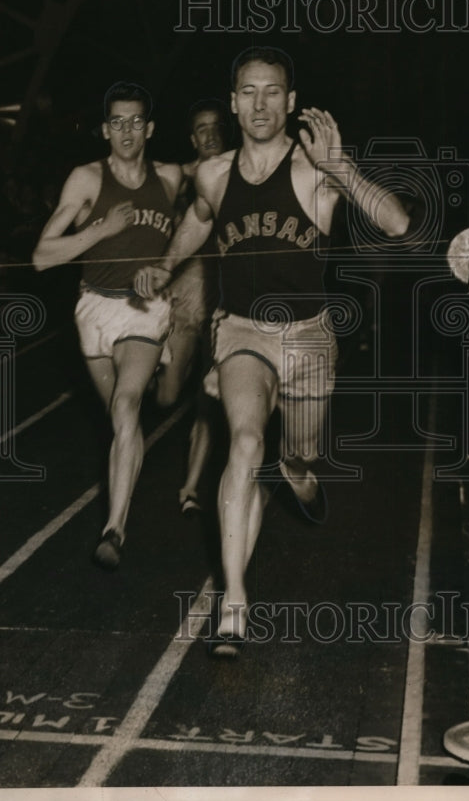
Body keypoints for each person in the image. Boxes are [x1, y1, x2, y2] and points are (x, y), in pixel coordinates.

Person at [136, 46, 411, 655]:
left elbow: (395, 222)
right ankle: (234, 600)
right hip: (241, 333)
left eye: (272, 92)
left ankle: (301, 471)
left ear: (290, 102)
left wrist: (342, 169)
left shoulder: (316, 170)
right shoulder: (213, 173)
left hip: (309, 337)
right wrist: (164, 264)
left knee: (299, 455)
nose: (260, 103)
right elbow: (201, 220)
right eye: (248, 92)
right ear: (234, 102)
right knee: (245, 442)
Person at [33, 81, 181, 570]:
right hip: (94, 310)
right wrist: (101, 229)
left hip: (144, 309)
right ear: (104, 129)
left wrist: (170, 277)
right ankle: (118, 513)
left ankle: (115, 526)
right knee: (123, 421)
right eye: (117, 121)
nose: (126, 131)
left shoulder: (171, 177)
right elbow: (42, 256)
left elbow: (203, 222)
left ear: (150, 128)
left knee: (126, 402)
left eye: (136, 121)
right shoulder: (86, 180)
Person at [156, 100, 229, 515]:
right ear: (192, 138)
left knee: (209, 402)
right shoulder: (180, 178)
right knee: (166, 398)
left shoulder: (240, 172)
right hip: (185, 300)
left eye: (216, 126)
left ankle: (190, 486)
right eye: (202, 128)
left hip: (227, 305)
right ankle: (151, 369)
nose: (210, 134)